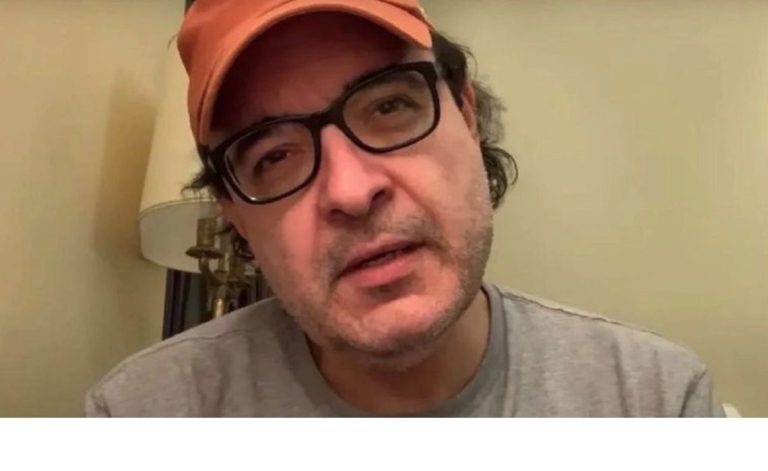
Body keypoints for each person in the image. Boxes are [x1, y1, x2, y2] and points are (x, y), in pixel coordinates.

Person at [86, 0, 724, 417]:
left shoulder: (653, 401)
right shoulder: (140, 417)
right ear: (234, 213)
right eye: (274, 156)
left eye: (389, 107)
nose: (350, 191)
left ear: (466, 114)